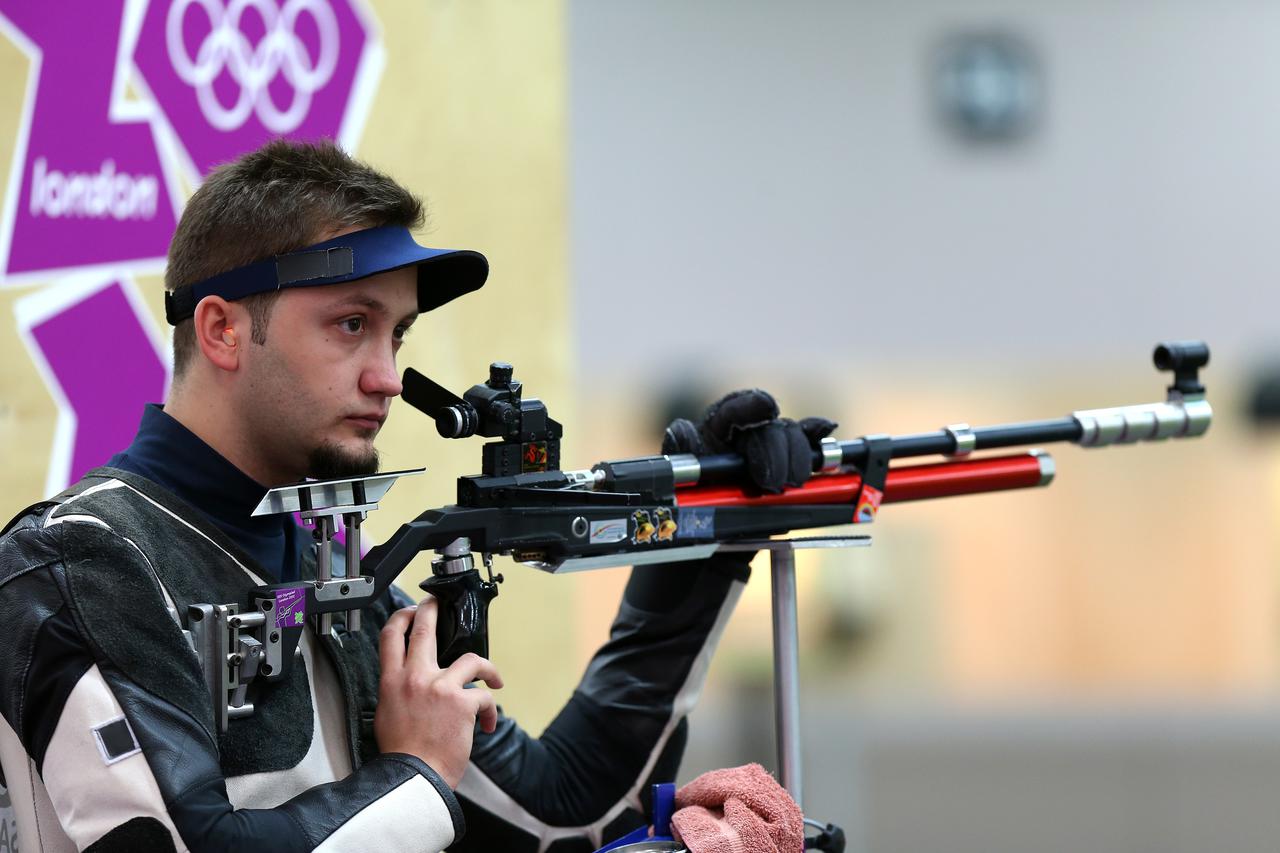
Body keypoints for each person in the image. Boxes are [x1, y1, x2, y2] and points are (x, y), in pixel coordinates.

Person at [0, 140, 826, 853]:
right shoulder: (80, 559)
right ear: (220, 330)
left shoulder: (338, 576)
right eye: (351, 323)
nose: (389, 377)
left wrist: (706, 535)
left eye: (397, 333)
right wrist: (417, 772)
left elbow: (565, 819)